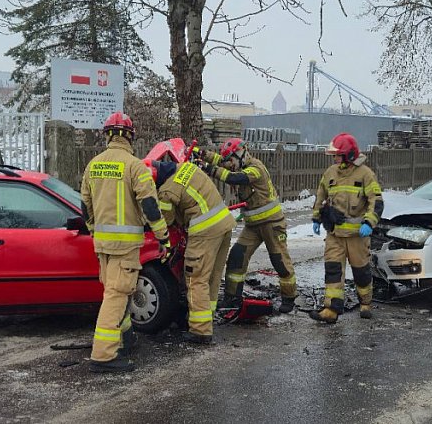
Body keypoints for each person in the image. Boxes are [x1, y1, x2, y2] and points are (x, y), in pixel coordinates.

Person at [80, 112, 170, 373]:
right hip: (126, 247)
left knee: (115, 292)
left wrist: (94, 230)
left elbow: (85, 205)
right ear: (130, 135)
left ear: (107, 135)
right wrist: (163, 236)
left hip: (103, 246)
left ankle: (126, 337)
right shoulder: (135, 166)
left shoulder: (93, 165)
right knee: (117, 296)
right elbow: (150, 206)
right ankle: (104, 355)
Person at [196, 138, 297, 313]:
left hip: (272, 225)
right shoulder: (238, 164)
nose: (230, 164)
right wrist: (201, 153)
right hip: (253, 225)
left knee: (279, 261)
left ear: (241, 154)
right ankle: (232, 297)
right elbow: (221, 161)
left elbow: (234, 178)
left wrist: (208, 168)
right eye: (229, 160)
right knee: (237, 257)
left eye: (232, 159)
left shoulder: (255, 169)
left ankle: (289, 298)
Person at [149, 158, 236, 344]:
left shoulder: (166, 191)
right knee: (212, 274)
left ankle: (200, 330)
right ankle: (207, 315)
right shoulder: (186, 167)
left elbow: (168, 220)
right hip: (225, 224)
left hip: (205, 231)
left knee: (195, 277)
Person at [310, 133, 383, 324]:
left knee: (361, 272)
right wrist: (316, 217)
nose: (334, 159)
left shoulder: (365, 174)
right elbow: (321, 195)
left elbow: (376, 201)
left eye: (337, 155)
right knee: (333, 270)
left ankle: (365, 303)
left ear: (349, 155)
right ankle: (331, 309)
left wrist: (369, 223)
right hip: (335, 233)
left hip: (357, 235)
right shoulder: (331, 173)